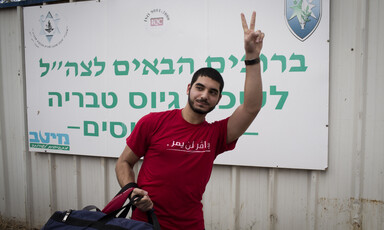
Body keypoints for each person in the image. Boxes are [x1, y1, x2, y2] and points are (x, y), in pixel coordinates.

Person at [115, 11, 265, 230]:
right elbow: (124, 162)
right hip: (145, 223)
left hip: (190, 225)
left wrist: (251, 56)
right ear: (189, 88)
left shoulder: (216, 134)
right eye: (200, 87)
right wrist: (132, 190)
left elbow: (251, 107)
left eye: (212, 92)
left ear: (218, 99)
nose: (204, 95)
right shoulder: (153, 122)